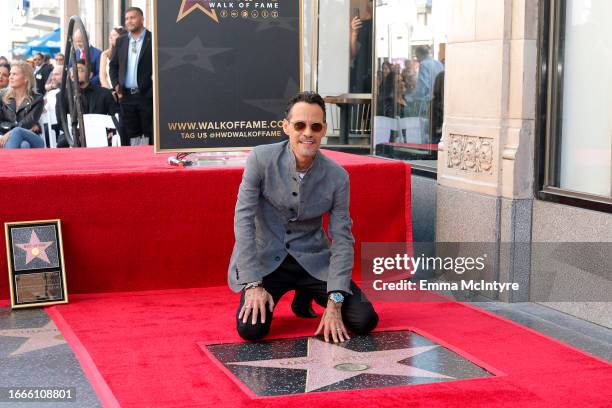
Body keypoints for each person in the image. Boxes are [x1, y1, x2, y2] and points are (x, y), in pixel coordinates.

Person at [229, 91, 379, 343]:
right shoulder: (260, 159)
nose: (308, 132)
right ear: (286, 127)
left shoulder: (338, 176)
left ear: (324, 130)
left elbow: (342, 238)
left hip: (314, 262)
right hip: (268, 263)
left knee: (364, 320)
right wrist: (253, 284)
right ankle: (287, 292)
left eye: (315, 126)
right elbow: (243, 220)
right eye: (300, 125)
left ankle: (305, 292)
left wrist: (335, 302)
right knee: (251, 330)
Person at [110, 7, 153, 146]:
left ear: (142, 19)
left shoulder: (152, 39)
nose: (129, 21)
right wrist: (116, 85)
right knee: (130, 136)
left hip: (147, 96)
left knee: (148, 135)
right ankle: (134, 164)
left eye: (132, 17)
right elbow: (113, 66)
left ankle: (148, 163)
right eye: (127, 18)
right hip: (126, 97)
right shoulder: (121, 41)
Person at [56, 60, 119, 148]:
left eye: (79, 70)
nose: (74, 72)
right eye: (72, 70)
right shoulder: (62, 95)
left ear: (90, 75)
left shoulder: (104, 94)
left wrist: (113, 132)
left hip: (100, 135)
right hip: (73, 135)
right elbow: (61, 121)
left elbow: (115, 116)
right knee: (62, 143)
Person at [0, 61, 44, 149]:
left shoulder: (37, 99)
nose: (10, 77)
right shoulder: (2, 95)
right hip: (3, 136)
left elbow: (26, 124)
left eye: (14, 74)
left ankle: (6, 161)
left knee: (18, 131)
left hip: (32, 137)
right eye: (10, 74)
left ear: (26, 78)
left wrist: (10, 130)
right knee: (24, 145)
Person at [349, 0, 373, 93]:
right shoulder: (362, 25)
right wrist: (354, 33)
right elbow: (353, 53)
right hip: (361, 75)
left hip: (378, 74)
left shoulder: (385, 25)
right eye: (370, 2)